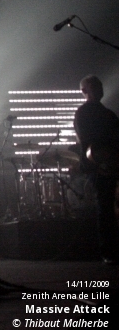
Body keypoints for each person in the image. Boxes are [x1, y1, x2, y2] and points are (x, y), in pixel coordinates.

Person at [73, 75, 119, 264]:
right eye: (94, 86)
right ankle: (108, 251)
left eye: (100, 86)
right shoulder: (83, 113)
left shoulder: (108, 114)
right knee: (105, 206)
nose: (99, 89)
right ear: (85, 91)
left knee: (107, 206)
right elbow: (85, 139)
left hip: (110, 163)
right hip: (97, 165)